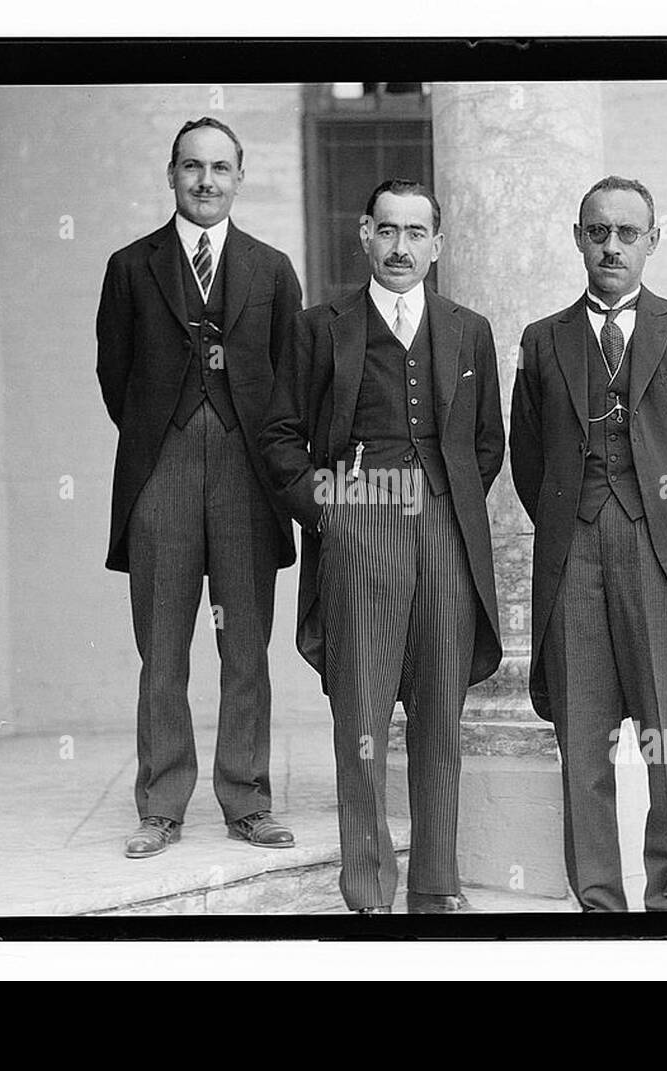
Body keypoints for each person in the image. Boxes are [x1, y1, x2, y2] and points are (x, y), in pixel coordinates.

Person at [260, 179, 504, 913]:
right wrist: (330, 512)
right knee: (361, 715)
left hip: (444, 530)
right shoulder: (319, 327)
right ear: (364, 234)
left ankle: (436, 886)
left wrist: (447, 501)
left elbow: (486, 442)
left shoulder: (469, 329)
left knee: (440, 715)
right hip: (358, 521)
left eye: (417, 232)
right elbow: (278, 438)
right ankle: (368, 889)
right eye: (388, 231)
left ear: (438, 243)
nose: (402, 247)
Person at [509, 176, 667, 911]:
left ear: (652, 239)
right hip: (574, 554)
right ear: (579, 237)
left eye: (627, 232)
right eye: (598, 231)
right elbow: (527, 457)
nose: (612, 245)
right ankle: (599, 908)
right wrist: (570, 524)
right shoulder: (542, 339)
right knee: (583, 744)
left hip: (659, 558)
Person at [96, 117, 302, 859]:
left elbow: (289, 377)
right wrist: (168, 430)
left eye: (220, 167)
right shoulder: (131, 265)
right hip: (163, 468)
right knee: (164, 647)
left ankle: (247, 799)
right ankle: (161, 806)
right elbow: (114, 373)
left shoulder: (271, 269)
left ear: (240, 176)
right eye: (192, 167)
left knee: (245, 645)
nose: (206, 180)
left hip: (249, 477)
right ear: (172, 174)